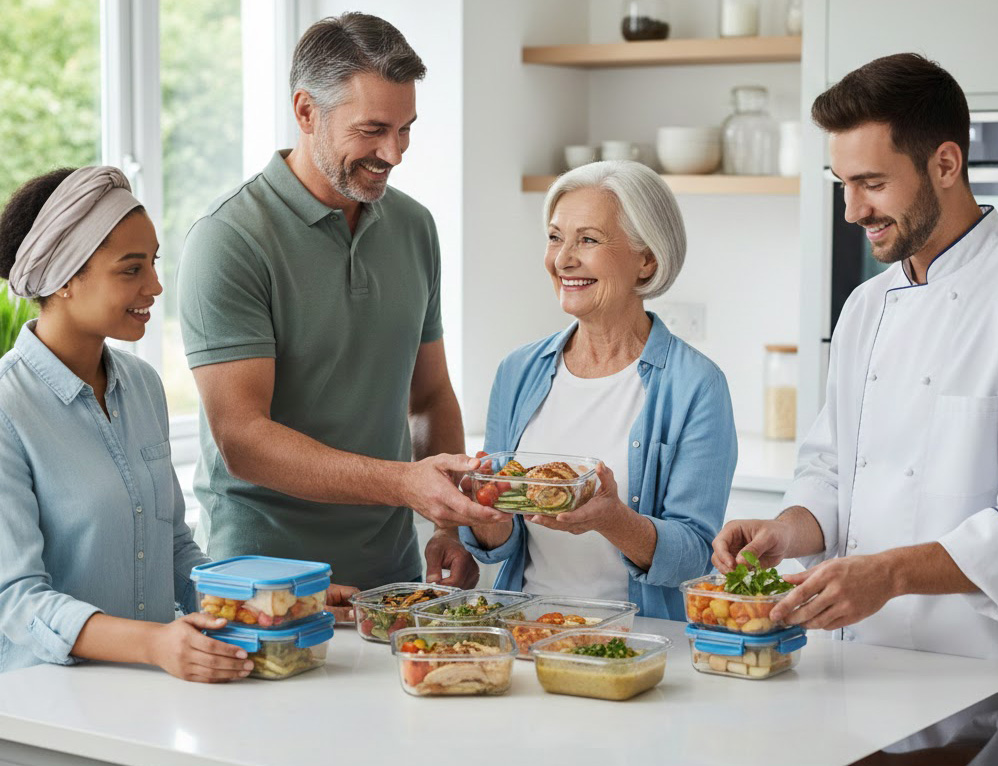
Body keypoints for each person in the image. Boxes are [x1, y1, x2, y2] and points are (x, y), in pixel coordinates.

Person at [177, 13, 501, 614]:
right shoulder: (229, 240)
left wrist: (443, 528)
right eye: (373, 129)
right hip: (267, 584)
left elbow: (427, 397)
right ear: (306, 112)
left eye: (405, 129)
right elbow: (243, 439)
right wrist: (405, 484)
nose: (394, 153)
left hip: (395, 581)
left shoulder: (413, 227)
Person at [712, 53, 998, 662]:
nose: (853, 211)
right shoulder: (865, 305)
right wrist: (788, 529)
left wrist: (891, 575)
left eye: (872, 184)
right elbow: (831, 468)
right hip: (854, 661)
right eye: (844, 185)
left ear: (946, 164)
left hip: (981, 671)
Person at [0, 167, 251, 681]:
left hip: (153, 695)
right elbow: (17, 598)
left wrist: (274, 602)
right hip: (46, 704)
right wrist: (154, 644)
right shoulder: (8, 407)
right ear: (64, 277)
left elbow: (174, 547)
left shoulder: (142, 386)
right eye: (131, 269)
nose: (156, 286)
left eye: (153, 263)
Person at [460, 161, 738, 619]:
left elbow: (695, 556)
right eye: (555, 237)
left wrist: (612, 520)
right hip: (525, 632)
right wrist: (480, 502)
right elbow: (498, 546)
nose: (562, 258)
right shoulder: (518, 371)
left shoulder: (696, 386)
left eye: (587, 239)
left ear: (646, 259)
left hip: (635, 644)